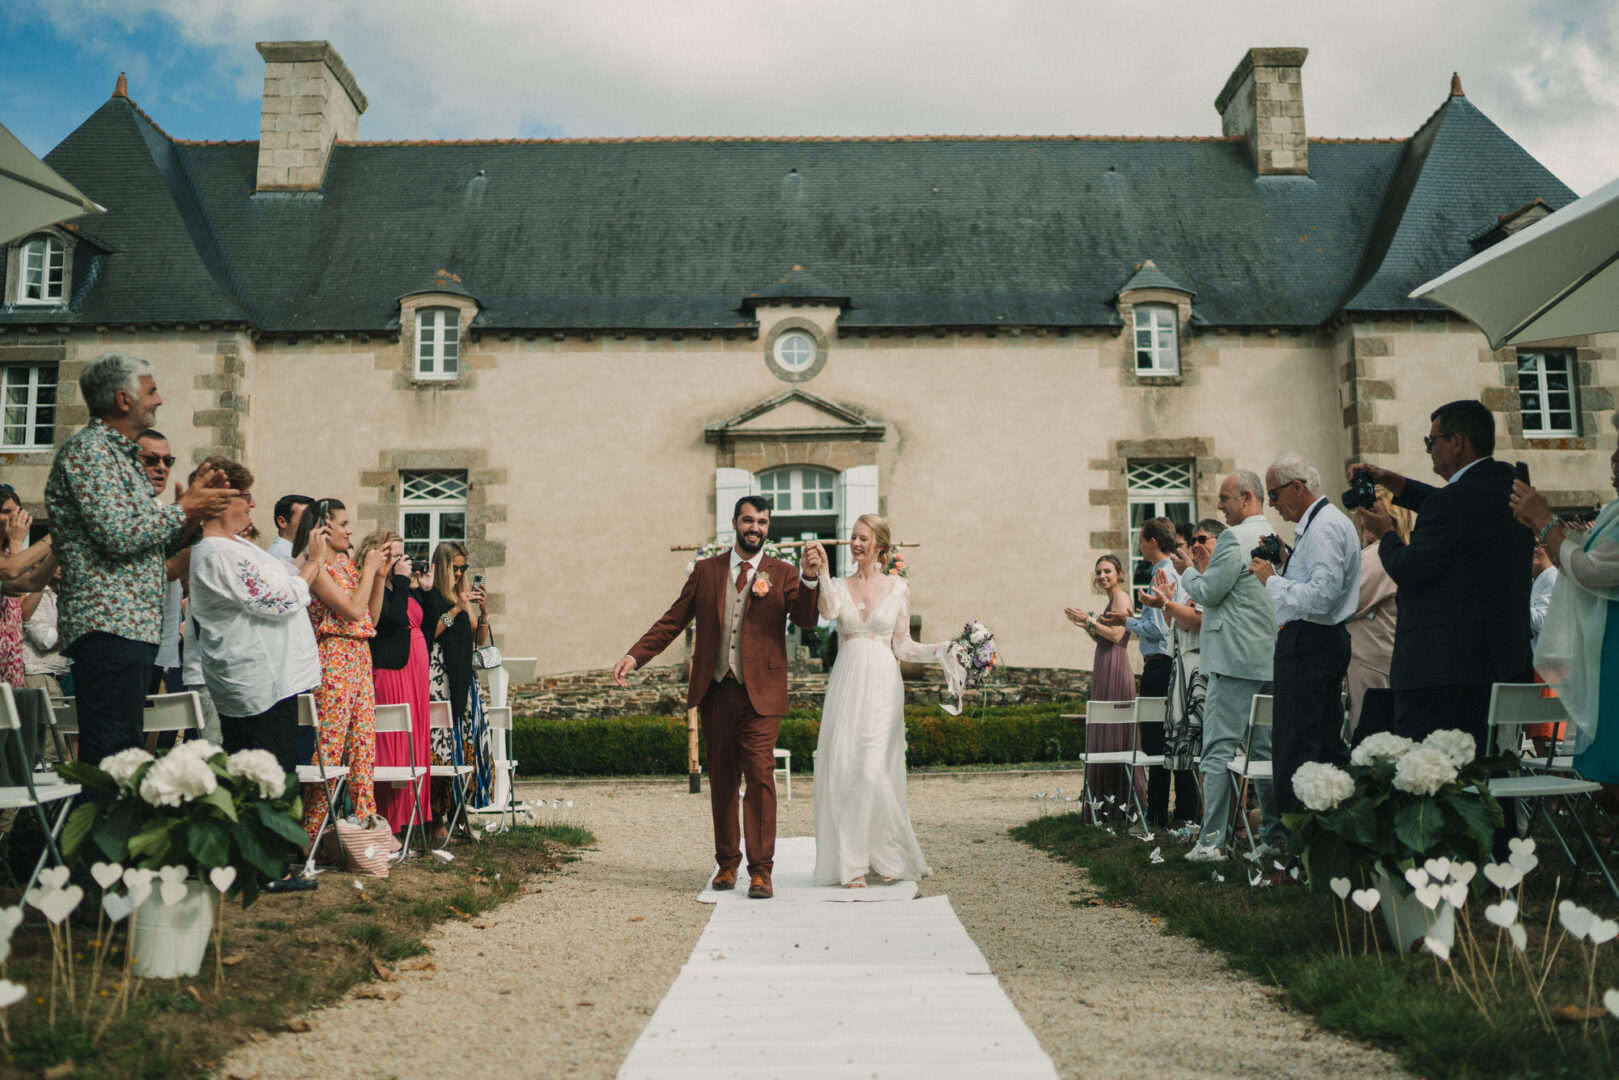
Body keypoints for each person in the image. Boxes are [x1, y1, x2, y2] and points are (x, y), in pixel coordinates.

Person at [614, 495, 821, 899]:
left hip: (762, 693)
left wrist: (812, 579)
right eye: (748, 520)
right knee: (723, 778)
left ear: (768, 527)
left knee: (760, 776)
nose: (755, 528)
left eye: (762, 521)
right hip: (716, 690)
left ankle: (762, 871)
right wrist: (634, 656)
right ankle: (727, 864)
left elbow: (807, 619)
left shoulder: (784, 573)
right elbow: (673, 620)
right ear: (734, 523)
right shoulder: (707, 571)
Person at [44, 353, 236, 767]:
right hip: (108, 624)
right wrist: (184, 511)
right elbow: (118, 535)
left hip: (132, 627)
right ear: (123, 399)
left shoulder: (123, 457)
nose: (160, 400)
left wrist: (192, 514)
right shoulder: (89, 452)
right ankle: (93, 831)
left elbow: (150, 546)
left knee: (124, 755)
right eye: (151, 390)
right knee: (112, 759)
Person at [1353, 399, 1534, 754]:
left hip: (1443, 674)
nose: (1429, 450)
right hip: (1501, 664)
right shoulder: (1508, 486)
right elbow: (1451, 504)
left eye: (1430, 441)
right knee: (1493, 783)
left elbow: (1410, 570)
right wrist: (1394, 481)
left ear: (1457, 441)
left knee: (1433, 785)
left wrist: (1388, 534)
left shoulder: (1456, 502)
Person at [801, 519, 960, 887]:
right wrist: (823, 572)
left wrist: (944, 651)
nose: (855, 543)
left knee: (874, 769)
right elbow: (826, 612)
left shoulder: (898, 588)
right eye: (853, 537)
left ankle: (884, 853)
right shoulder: (839, 585)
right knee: (844, 767)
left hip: (884, 683)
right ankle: (852, 864)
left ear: (880, 546)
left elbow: (903, 646)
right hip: (847, 682)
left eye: (862, 538)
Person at [1248, 452, 1360, 821]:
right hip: (1322, 639)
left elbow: (1322, 595)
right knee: (1325, 741)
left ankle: (1297, 836)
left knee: (1296, 743)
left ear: (1297, 487)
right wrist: (1285, 561)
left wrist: (1273, 580)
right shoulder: (1324, 523)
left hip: (1309, 640)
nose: (1273, 505)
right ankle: (1327, 830)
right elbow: (1317, 583)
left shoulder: (1324, 526)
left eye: (1275, 495)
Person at [1179, 471, 1281, 862]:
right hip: (1268, 659)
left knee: (1218, 750)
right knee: (1266, 753)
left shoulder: (1233, 540)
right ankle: (1273, 836)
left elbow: (1208, 591)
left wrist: (1188, 567)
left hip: (1234, 661)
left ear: (1248, 497)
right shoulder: (1273, 537)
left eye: (1225, 498)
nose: (1219, 506)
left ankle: (1211, 841)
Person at [1510, 422, 1619, 783]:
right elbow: (1580, 550)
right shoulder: (1614, 512)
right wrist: (1543, 525)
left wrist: (1544, 522)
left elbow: (1590, 569)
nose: (1614, 458)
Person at [291, 499, 387, 842]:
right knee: (329, 751)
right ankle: (310, 835)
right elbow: (350, 609)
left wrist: (378, 578)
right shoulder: (315, 569)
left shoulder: (348, 567)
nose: (350, 531)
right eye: (343, 524)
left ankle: (365, 830)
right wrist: (371, 570)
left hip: (360, 656)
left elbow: (370, 618)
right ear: (323, 527)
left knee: (363, 748)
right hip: (333, 659)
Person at [1141, 519, 1226, 834]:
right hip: (1185, 668)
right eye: (1194, 542)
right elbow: (1175, 623)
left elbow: (1195, 621)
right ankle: (1201, 820)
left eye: (1202, 540)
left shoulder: (1212, 581)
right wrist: (1166, 603)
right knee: (1191, 750)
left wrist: (1167, 603)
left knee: (1206, 748)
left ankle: (1210, 819)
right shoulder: (1195, 581)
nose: (1194, 547)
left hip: (1203, 671)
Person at [359, 529, 434, 838]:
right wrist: (402, 580)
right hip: (388, 668)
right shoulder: (380, 587)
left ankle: (408, 818)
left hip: (409, 668)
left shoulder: (399, 584)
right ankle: (385, 819)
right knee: (389, 743)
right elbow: (392, 618)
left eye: (403, 554)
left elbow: (424, 622)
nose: (401, 560)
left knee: (409, 742)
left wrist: (425, 591)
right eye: (394, 554)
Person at [1109, 517, 1180, 828]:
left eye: (1140, 539)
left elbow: (1157, 627)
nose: (1138, 546)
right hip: (1169, 664)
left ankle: (1157, 813)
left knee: (1154, 742)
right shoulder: (1173, 570)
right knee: (1166, 740)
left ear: (1153, 542)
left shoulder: (1160, 574)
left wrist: (1127, 621)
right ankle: (1168, 812)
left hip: (1159, 665)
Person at [420, 540, 492, 841]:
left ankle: (460, 811)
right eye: (456, 567)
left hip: (464, 677)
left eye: (464, 567)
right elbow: (429, 632)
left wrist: (483, 611)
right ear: (443, 566)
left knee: (467, 741)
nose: (460, 572)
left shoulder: (458, 595)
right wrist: (458, 607)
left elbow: (480, 639)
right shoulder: (430, 594)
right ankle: (435, 815)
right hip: (439, 678)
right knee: (440, 746)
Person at [1065, 554, 1144, 820]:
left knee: (1115, 731)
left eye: (1107, 571)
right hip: (1105, 663)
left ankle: (1120, 805)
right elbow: (1102, 636)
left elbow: (1117, 636)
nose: (1102, 576)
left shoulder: (1121, 598)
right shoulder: (1111, 600)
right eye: (1098, 572)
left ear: (1120, 574)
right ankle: (1108, 804)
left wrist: (1089, 621)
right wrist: (1084, 625)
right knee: (1106, 729)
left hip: (1116, 666)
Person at [1344, 491, 1408, 740]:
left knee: (1370, 742)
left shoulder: (1380, 555)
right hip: (1383, 658)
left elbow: (1345, 602)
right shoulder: (1399, 552)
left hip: (1371, 663)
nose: (1365, 519)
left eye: (1374, 512)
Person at [0, 489, 56, 689]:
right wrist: (17, 543)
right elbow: (15, 578)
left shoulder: (8, 555)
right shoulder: (10, 560)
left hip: (10, 663)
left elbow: (29, 595)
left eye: (18, 512)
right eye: (6, 511)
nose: (14, 518)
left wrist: (60, 545)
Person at [269, 495, 313, 561]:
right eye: (304, 520)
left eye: (312, 520)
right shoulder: (281, 556)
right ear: (282, 522)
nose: (310, 525)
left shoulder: (300, 552)